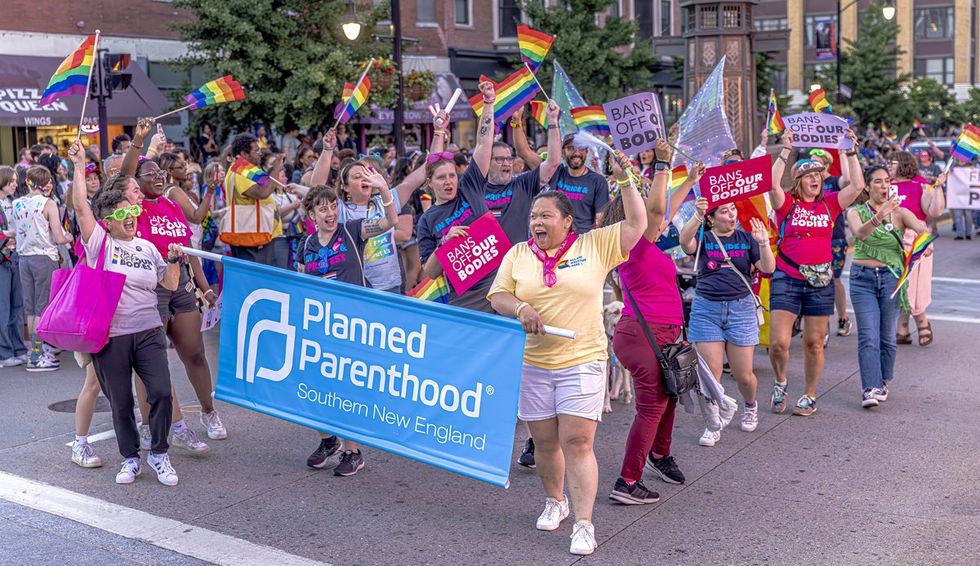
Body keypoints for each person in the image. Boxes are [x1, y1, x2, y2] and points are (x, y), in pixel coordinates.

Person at [488, 147, 646, 555]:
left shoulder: (594, 245)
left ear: (567, 221)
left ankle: (583, 523)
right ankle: (555, 501)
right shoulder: (519, 254)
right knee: (544, 442)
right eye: (533, 217)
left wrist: (625, 179)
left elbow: (637, 223)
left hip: (582, 359)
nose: (537, 222)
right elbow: (499, 295)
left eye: (546, 216)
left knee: (577, 441)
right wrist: (520, 308)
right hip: (534, 363)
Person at [68, 140, 183, 486]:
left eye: (132, 212)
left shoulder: (147, 247)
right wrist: (79, 165)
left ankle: (159, 453)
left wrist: (173, 260)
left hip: (148, 331)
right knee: (120, 403)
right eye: (120, 215)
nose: (130, 218)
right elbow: (80, 207)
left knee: (160, 391)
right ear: (107, 222)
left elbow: (170, 283)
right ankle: (130, 458)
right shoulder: (100, 244)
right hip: (112, 336)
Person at [298, 178, 398, 477]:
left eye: (333, 206)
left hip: (352, 324)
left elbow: (391, 221)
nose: (330, 213)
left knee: (346, 388)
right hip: (320, 324)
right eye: (322, 209)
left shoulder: (353, 230)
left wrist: (383, 190)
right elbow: (301, 283)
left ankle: (353, 452)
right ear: (311, 215)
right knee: (313, 384)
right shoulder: (305, 245)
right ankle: (328, 440)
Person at [767, 130, 864, 416]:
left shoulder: (830, 203)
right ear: (798, 180)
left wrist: (850, 150)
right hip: (787, 277)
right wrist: (786, 150)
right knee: (778, 343)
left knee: (813, 343)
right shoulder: (787, 204)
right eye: (809, 175)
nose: (815, 179)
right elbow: (771, 184)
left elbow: (857, 185)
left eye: (819, 175)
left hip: (820, 281)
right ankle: (780, 381)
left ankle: (809, 394)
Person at [131, 157, 224, 451]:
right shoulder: (132, 208)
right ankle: (148, 425)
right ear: (136, 180)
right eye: (151, 174)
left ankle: (208, 411)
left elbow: (188, 249)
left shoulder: (171, 205)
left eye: (161, 172)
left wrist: (205, 288)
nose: (159, 177)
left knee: (195, 353)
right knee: (150, 360)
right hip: (150, 286)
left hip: (181, 285)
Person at [679, 198, 775, 444]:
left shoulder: (747, 238)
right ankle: (713, 424)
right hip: (706, 310)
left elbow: (768, 268)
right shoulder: (704, 237)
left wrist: (763, 242)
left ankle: (750, 405)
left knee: (744, 376)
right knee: (711, 374)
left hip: (740, 310)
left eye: (733, 209)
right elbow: (685, 242)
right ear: (711, 218)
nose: (732, 214)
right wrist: (697, 215)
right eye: (724, 210)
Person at [846, 165, 931, 408]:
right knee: (868, 336)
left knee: (887, 338)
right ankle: (869, 387)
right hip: (862, 279)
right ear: (867, 187)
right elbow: (860, 234)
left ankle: (882, 380)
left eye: (887, 181)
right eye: (878, 181)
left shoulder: (901, 213)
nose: (884, 186)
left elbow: (924, 230)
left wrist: (925, 245)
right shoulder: (855, 212)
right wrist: (880, 214)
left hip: (891, 279)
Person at [417, 82, 496, 312]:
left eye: (452, 175)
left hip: (501, 285)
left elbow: (484, 144)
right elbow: (431, 272)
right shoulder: (427, 220)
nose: (449, 182)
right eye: (441, 178)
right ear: (430, 183)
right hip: (467, 300)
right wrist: (445, 243)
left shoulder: (468, 186)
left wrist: (488, 103)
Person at [10, 165, 72, 371]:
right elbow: (59, 237)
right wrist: (69, 237)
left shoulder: (17, 203)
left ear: (28, 181)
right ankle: (37, 355)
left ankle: (34, 352)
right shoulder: (48, 203)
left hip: (23, 258)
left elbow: (14, 232)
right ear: (45, 183)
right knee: (42, 306)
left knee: (30, 308)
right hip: (44, 257)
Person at [484, 102, 562, 246]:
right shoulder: (474, 188)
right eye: (500, 159)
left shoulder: (522, 183)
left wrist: (552, 120)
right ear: (487, 162)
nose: (506, 163)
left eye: (509, 159)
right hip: (486, 258)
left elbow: (553, 162)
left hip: (519, 258)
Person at [890, 151, 946, 345]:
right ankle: (905, 327)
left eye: (892, 162)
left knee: (915, 283)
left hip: (916, 239)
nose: (888, 165)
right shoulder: (884, 185)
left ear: (903, 164)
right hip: (891, 240)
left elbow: (935, 211)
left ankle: (917, 323)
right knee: (899, 284)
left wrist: (937, 188)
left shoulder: (919, 185)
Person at [809, 148, 852, 338]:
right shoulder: (809, 184)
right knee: (817, 279)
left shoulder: (834, 182)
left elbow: (848, 180)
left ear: (826, 165)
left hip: (835, 237)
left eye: (816, 162)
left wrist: (843, 154)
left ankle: (843, 318)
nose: (812, 166)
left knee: (834, 279)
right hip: (815, 237)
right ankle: (821, 324)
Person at [223, 133, 281, 265]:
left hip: (257, 234)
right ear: (244, 153)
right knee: (256, 275)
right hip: (250, 236)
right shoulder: (240, 171)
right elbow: (263, 192)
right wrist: (276, 168)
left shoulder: (246, 169)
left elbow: (266, 184)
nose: (260, 154)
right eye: (256, 151)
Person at [0, 166, 27, 367]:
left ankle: (18, 348)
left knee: (17, 306)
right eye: (12, 181)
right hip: (3, 257)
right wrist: (7, 235)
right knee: (3, 307)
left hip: (15, 255)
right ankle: (4, 352)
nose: (16, 184)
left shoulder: (13, 202)